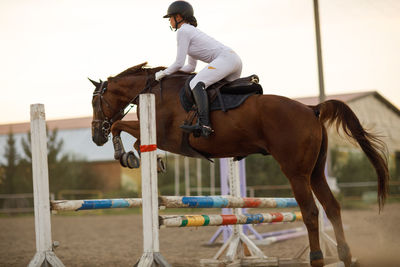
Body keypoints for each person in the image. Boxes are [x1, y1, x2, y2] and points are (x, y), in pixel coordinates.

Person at [155, 1, 242, 138]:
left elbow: (178, 62)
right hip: (233, 60)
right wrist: (172, 74)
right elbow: (190, 67)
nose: (169, 21)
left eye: (170, 18)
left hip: (226, 60)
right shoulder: (190, 31)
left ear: (178, 17)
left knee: (195, 83)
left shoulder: (183, 30)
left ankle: (205, 124)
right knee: (218, 90)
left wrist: (163, 73)